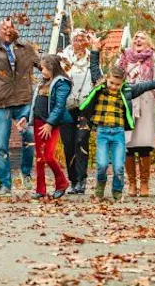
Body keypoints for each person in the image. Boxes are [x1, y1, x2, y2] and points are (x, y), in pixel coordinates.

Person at [79, 37, 155, 201]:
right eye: (111, 83)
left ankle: (117, 191)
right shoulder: (100, 87)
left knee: (118, 166)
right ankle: (100, 185)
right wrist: (94, 49)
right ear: (107, 80)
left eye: (117, 85)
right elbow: (94, 68)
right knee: (101, 165)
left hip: (118, 133)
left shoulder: (127, 91)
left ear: (123, 84)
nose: (114, 87)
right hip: (102, 133)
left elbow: (145, 86)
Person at [0, 18, 40, 196]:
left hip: (23, 101)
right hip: (1, 104)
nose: (7, 30)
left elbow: (43, 65)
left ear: (15, 30)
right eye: (4, 28)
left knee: (28, 136)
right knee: (1, 145)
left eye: (10, 27)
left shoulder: (26, 48)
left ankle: (25, 172)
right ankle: (5, 184)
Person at [117, 31, 155, 197]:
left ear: (148, 43)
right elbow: (115, 76)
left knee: (144, 143)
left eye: (142, 37)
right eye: (136, 37)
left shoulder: (153, 57)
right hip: (128, 101)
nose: (138, 39)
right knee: (128, 143)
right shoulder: (124, 57)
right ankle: (131, 183)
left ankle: (144, 183)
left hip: (146, 101)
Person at [30, 54, 73, 199]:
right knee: (39, 158)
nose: (41, 71)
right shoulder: (42, 82)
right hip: (37, 122)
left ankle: (62, 182)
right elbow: (35, 103)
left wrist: (50, 123)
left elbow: (59, 106)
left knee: (48, 156)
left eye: (43, 69)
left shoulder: (62, 83)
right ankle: (40, 190)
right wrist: (26, 118)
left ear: (52, 68)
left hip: (51, 124)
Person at [58, 29, 94, 194]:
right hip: (66, 107)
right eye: (76, 40)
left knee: (81, 141)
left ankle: (82, 179)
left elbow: (97, 78)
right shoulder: (62, 59)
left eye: (82, 40)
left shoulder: (91, 58)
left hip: (85, 107)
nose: (79, 43)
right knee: (68, 144)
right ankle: (72, 179)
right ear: (71, 41)